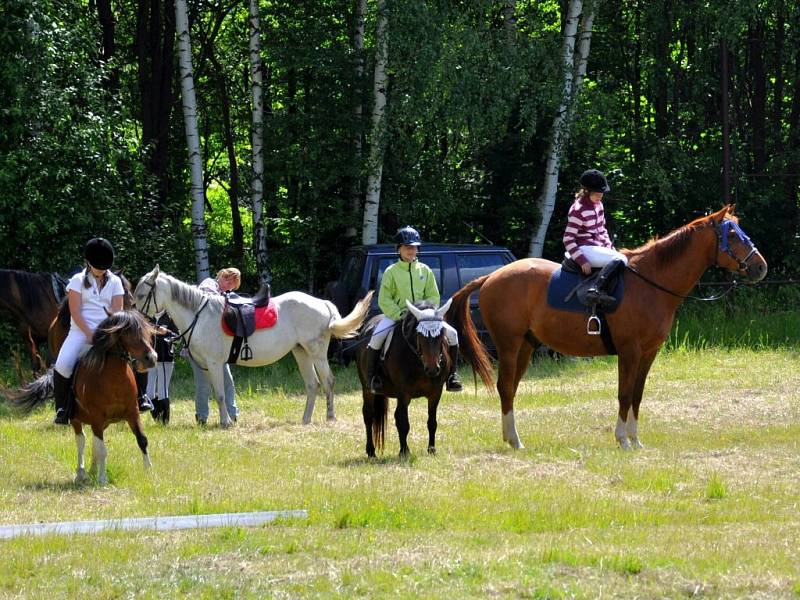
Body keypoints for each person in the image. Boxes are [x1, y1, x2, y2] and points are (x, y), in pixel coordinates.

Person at [52, 238, 154, 425]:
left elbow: (116, 311)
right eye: (98, 267)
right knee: (63, 364)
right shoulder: (76, 281)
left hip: (108, 331)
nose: (101, 271)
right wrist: (89, 335)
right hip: (80, 332)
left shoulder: (114, 281)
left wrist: (107, 334)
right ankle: (62, 408)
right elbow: (75, 311)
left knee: (138, 354)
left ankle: (141, 397)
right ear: (88, 263)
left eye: (104, 267)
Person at [364, 226, 462, 394]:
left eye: (414, 247)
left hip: (425, 318)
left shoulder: (425, 270)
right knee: (377, 336)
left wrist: (426, 312)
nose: (411, 250)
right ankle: (374, 377)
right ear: (399, 249)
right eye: (407, 247)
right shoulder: (391, 272)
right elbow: (384, 298)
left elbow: (433, 295)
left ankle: (452, 375)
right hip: (399, 316)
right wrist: (399, 314)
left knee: (452, 334)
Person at [563, 169, 628, 305]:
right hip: (584, 248)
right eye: (597, 192)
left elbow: (602, 230)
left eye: (602, 192)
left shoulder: (598, 205)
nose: (601, 195)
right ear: (586, 191)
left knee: (619, 257)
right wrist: (581, 260)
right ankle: (595, 290)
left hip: (596, 246)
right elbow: (568, 239)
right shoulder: (578, 210)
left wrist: (610, 247)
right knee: (621, 259)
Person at [191, 267, 240, 425]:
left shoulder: (224, 294)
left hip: (216, 349)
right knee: (203, 384)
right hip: (199, 348)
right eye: (229, 281)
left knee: (228, 382)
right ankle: (202, 417)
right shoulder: (209, 284)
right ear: (222, 277)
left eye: (232, 285)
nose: (229, 286)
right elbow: (208, 302)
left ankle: (232, 414)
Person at [146, 312, 179, 425]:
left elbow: (178, 337)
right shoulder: (150, 318)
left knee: (162, 390)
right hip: (152, 360)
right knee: (148, 392)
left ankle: (164, 422)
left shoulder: (170, 318)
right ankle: (158, 418)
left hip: (165, 359)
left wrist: (166, 332)